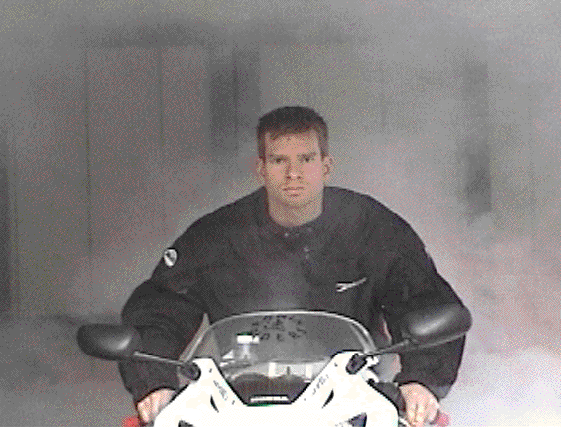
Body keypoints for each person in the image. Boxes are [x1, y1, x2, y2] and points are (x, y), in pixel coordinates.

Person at [118, 106, 468, 427]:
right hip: (233, 406)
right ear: (261, 169)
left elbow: (424, 301)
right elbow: (160, 309)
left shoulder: (372, 228)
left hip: (353, 403)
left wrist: (422, 381)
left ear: (326, 165)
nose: (293, 174)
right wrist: (154, 383)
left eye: (306, 159)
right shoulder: (216, 236)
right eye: (279, 161)